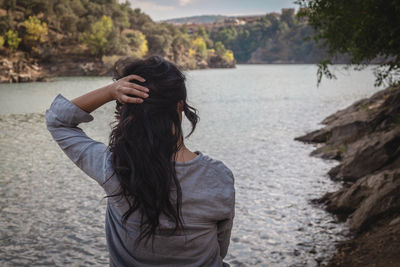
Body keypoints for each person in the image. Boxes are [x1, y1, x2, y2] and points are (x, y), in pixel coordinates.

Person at [45, 55, 235, 267]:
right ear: (179, 106)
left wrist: (109, 92)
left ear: (126, 109)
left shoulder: (115, 167)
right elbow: (220, 250)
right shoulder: (218, 177)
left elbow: (57, 120)